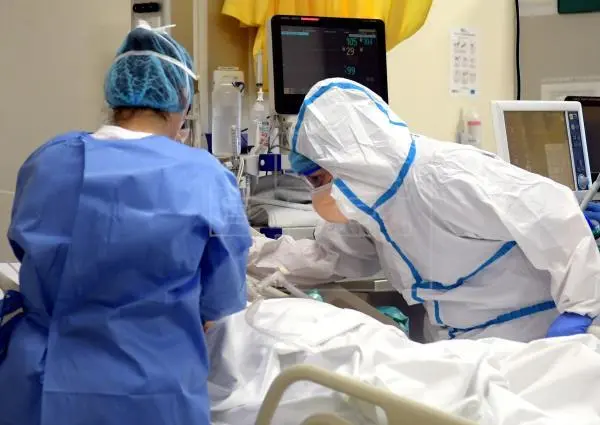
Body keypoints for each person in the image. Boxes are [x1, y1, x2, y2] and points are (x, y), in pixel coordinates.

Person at [0, 23, 251, 425]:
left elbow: (27, 250)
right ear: (181, 100)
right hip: (153, 390)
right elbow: (219, 300)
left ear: (115, 93)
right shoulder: (205, 176)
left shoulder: (49, 160)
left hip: (42, 381)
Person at [248, 77, 600, 343]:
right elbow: (331, 258)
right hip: (464, 348)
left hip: (531, 338)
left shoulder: (443, 176)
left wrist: (581, 311)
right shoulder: (371, 204)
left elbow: (553, 211)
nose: (318, 192)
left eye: (319, 178)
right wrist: (247, 252)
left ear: (348, 163)